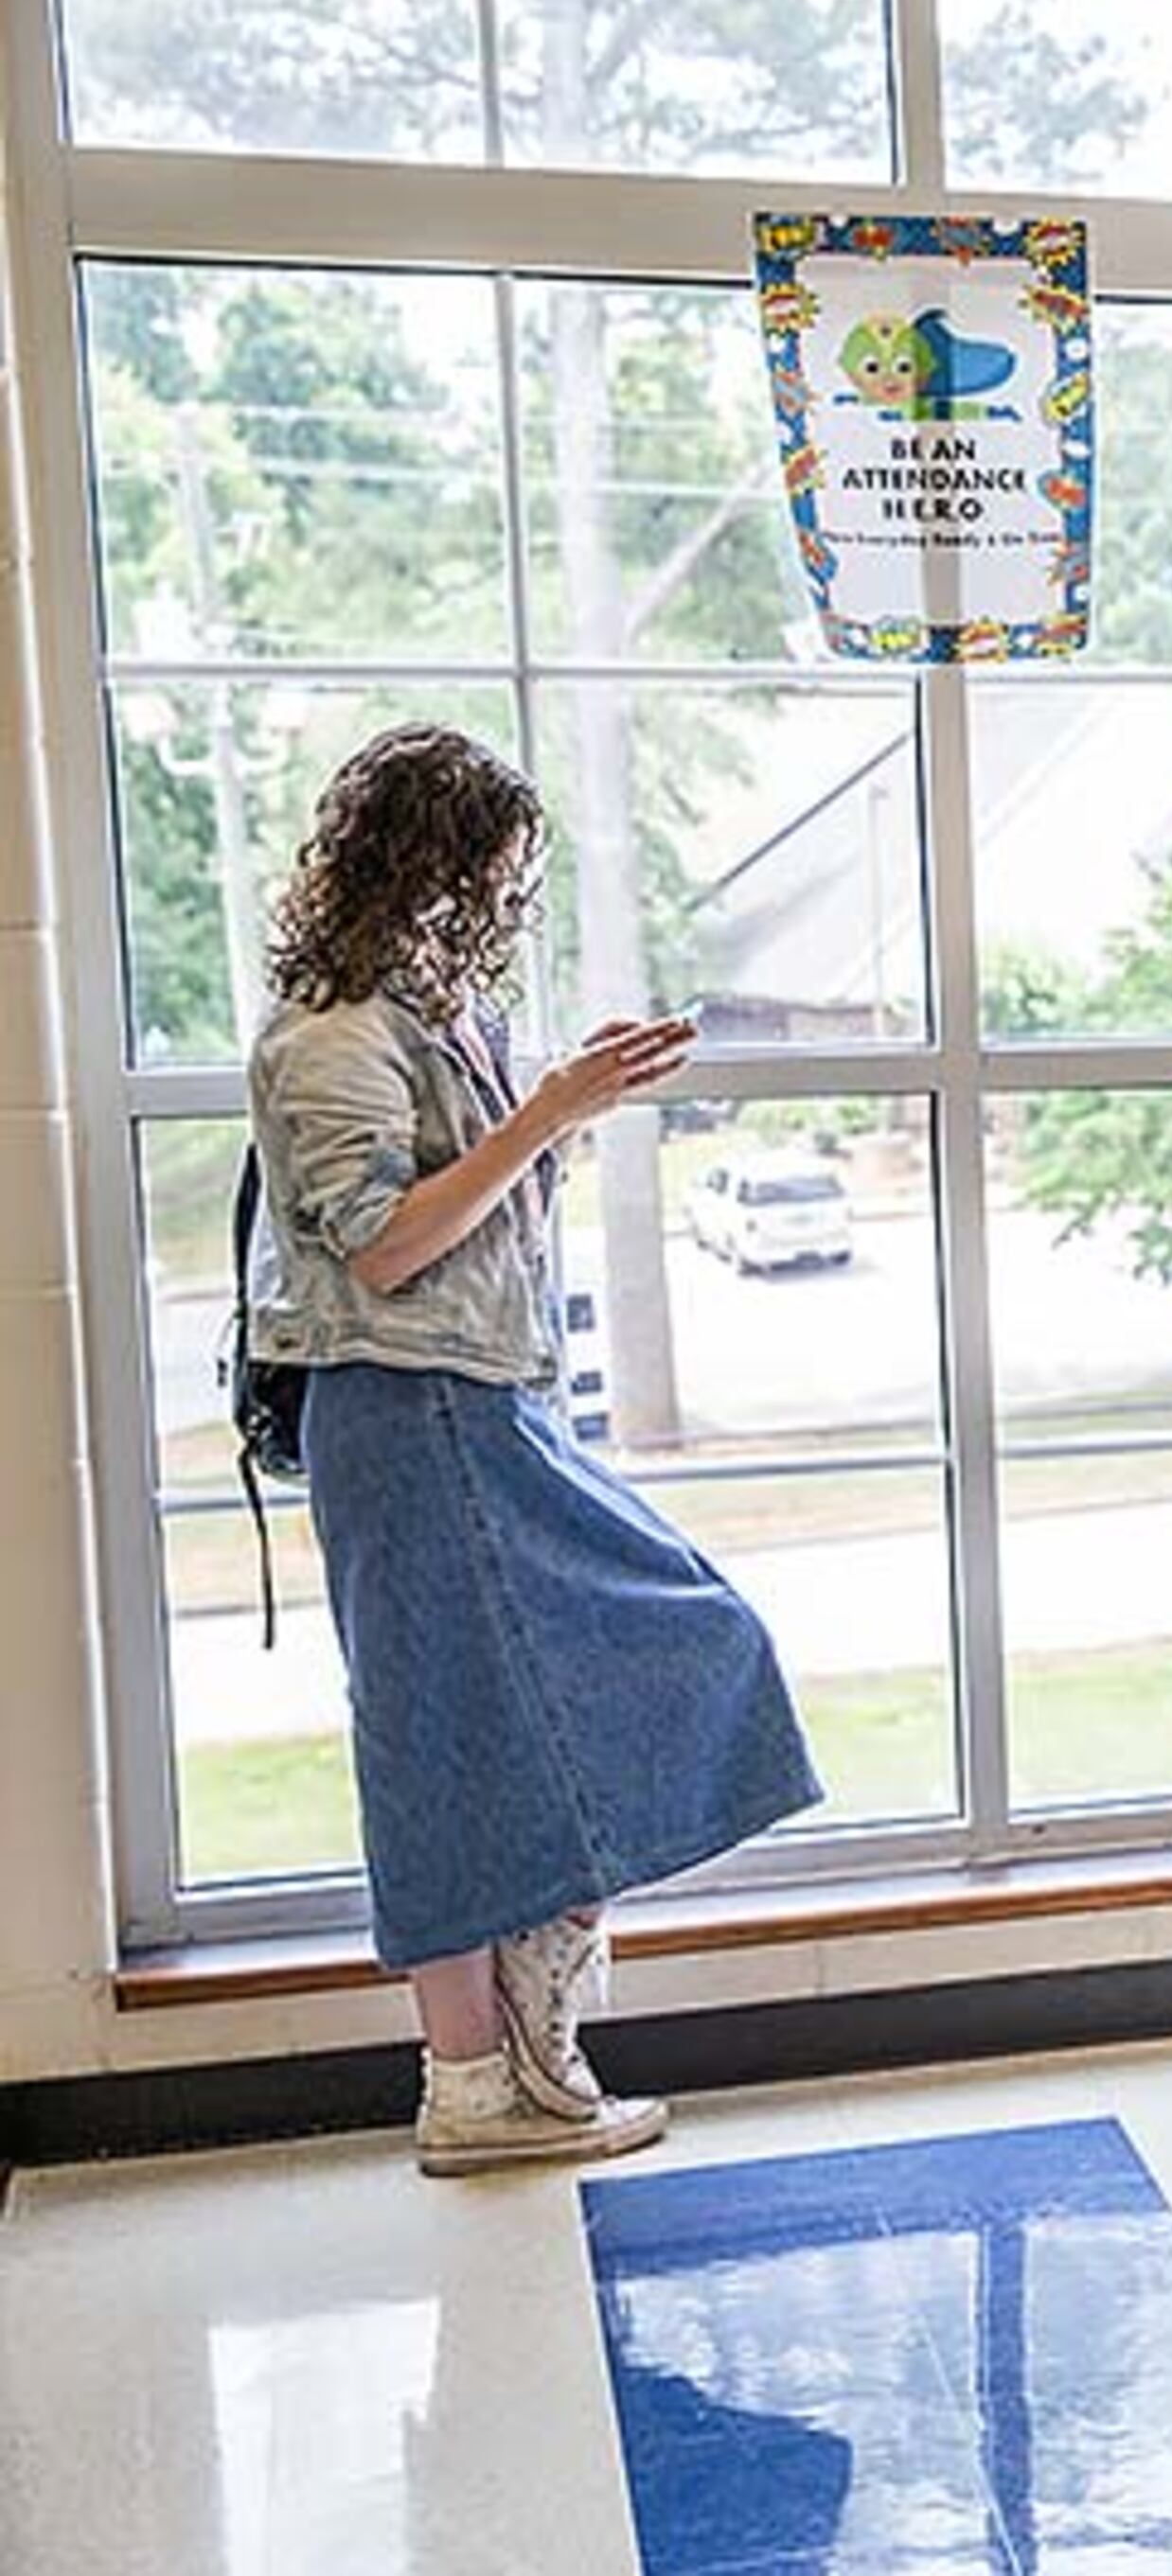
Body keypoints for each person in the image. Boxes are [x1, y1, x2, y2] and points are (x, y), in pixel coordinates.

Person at [247, 724, 824, 2177]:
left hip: (479, 1402)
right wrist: (549, 1112)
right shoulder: (332, 1042)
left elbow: (481, 1218)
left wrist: (560, 1108)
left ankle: (520, 2058)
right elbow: (386, 1246)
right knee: (451, 1734)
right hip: (410, 1411)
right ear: (421, 872)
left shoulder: (432, 1022)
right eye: (485, 878)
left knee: (506, 1720)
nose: (497, 910)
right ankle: (478, 2079)